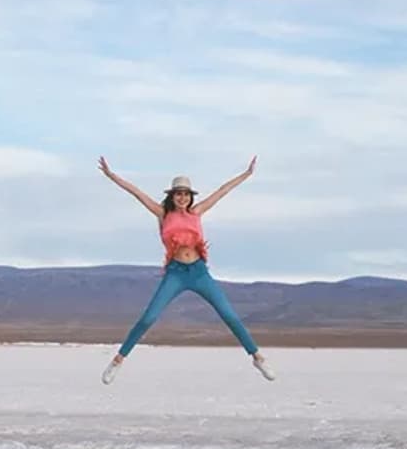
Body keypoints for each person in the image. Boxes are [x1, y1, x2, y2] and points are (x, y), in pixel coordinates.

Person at [97, 156, 277, 385]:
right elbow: (136, 192)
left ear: (191, 197)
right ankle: (117, 361)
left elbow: (222, 191)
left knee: (229, 315)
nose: (182, 198)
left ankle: (257, 357)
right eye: (178, 194)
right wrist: (111, 175)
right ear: (172, 196)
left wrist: (246, 174)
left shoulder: (197, 212)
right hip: (175, 273)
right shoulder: (163, 214)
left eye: (186, 194)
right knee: (148, 318)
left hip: (199, 272)